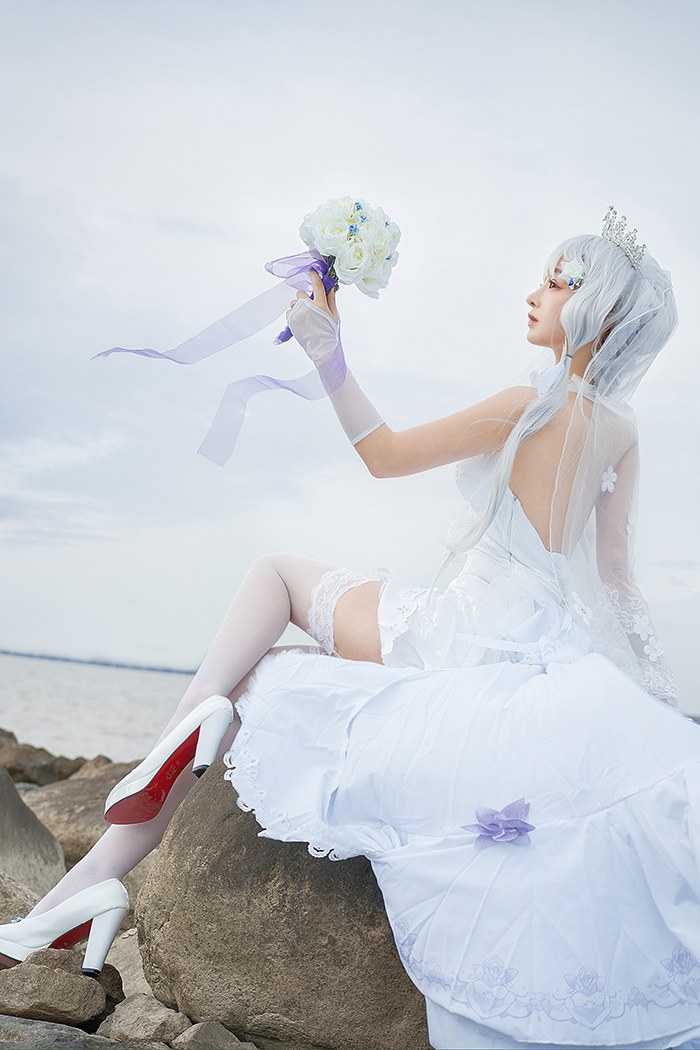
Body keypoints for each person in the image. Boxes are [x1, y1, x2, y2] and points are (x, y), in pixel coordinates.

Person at [3, 210, 700, 1050]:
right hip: (541, 644)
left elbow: (384, 453)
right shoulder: (622, 430)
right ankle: (85, 885)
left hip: (460, 632)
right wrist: (650, 704)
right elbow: (618, 582)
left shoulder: (529, 401)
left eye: (558, 283)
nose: (534, 294)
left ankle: (160, 760)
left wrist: (329, 356)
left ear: (603, 314)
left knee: (273, 578)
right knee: (271, 672)